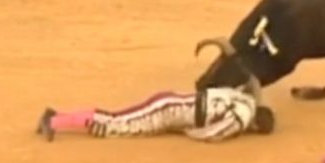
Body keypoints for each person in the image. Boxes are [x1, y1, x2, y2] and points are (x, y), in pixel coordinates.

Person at [35, 39, 275, 143]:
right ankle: (54, 120)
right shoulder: (242, 119)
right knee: (114, 125)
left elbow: (253, 82)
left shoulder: (245, 99)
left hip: (170, 102)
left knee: (116, 118)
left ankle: (56, 116)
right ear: (255, 127)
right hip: (166, 115)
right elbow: (214, 134)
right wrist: (188, 132)